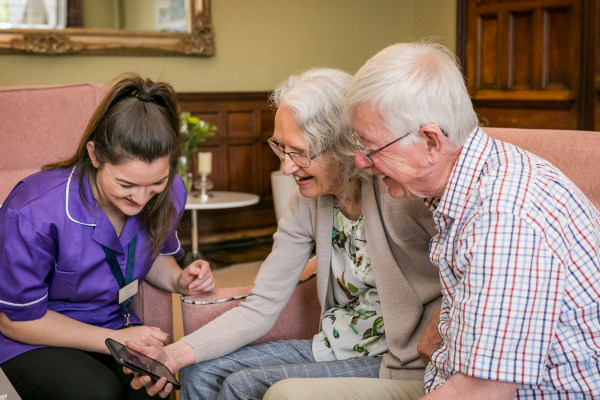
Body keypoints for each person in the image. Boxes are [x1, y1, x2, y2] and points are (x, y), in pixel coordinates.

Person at [127, 67, 441, 400]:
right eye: (280, 148)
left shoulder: (401, 192)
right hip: (332, 346)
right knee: (200, 370)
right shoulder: (307, 201)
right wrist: (175, 353)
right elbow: (262, 303)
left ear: (342, 144)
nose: (286, 167)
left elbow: (472, 263)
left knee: (241, 384)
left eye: (299, 151)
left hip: (392, 360)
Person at [325, 41, 599, 399]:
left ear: (431, 141)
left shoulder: (506, 220)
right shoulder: (479, 172)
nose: (361, 162)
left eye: (371, 148)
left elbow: (480, 393)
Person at [0, 73, 215, 400]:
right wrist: (114, 341)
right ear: (95, 155)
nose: (142, 199)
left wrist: (179, 280)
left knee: (152, 389)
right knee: (95, 392)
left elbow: (154, 254)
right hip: (31, 335)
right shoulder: (33, 212)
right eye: (126, 185)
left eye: (155, 183)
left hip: (115, 326)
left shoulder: (171, 192)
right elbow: (17, 320)